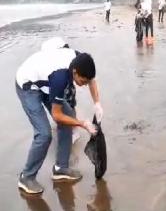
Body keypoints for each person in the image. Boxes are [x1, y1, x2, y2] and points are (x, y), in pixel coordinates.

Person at [15, 47, 102, 194]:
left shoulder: (80, 60)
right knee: (44, 134)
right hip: (28, 85)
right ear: (75, 72)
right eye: (82, 81)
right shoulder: (60, 78)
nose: (84, 84)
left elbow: (91, 79)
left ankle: (60, 168)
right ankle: (26, 177)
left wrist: (97, 103)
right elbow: (57, 115)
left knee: (68, 118)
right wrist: (83, 124)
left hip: (45, 79)